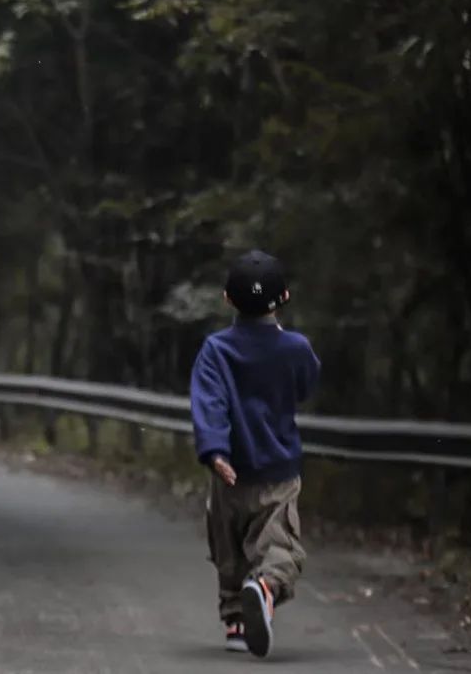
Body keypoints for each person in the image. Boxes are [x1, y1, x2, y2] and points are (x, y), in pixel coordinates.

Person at [189, 249, 321, 659]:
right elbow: (306, 386)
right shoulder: (296, 348)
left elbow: (208, 401)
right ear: (284, 298)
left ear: (227, 299)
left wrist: (216, 451)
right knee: (280, 547)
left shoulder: (215, 350)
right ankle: (264, 588)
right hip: (278, 472)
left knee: (228, 548)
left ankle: (234, 621)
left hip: (230, 472)